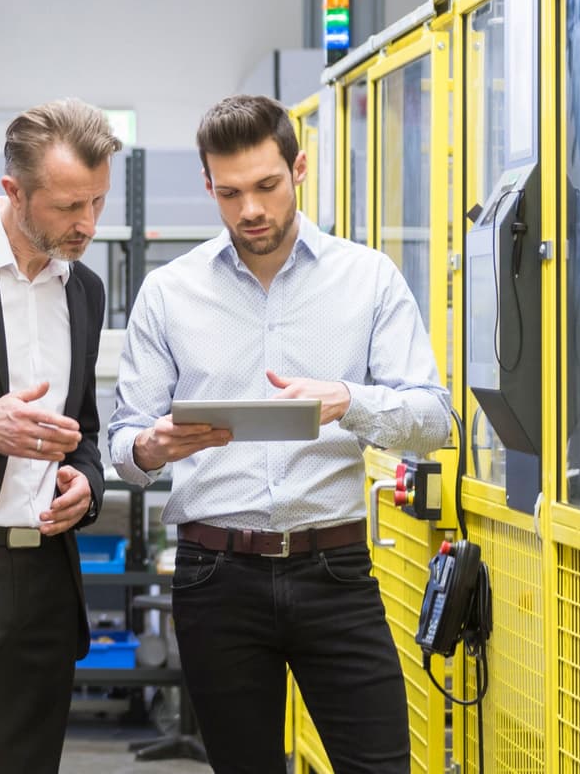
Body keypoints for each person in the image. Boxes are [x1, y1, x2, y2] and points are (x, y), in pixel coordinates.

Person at [105, 95, 453, 774]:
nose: (250, 211)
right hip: (215, 574)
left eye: (266, 186)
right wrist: (153, 447)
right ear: (208, 185)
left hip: (336, 571)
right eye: (229, 193)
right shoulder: (169, 293)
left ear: (298, 168)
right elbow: (125, 444)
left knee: (381, 766)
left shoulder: (368, 279)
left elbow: (434, 419)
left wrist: (349, 400)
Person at [0, 98, 116, 772]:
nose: (88, 225)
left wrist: (87, 483)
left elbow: (86, 430)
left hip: (44, 574)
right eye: (69, 207)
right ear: (13, 191)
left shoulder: (85, 291)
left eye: (98, 203)